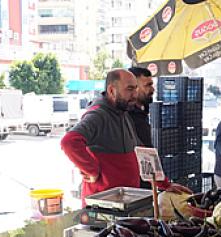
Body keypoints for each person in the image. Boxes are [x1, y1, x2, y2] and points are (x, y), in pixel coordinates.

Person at [61, 69, 189, 204]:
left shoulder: (124, 113)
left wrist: (165, 184)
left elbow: (142, 153)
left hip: (128, 201)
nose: (135, 94)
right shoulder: (98, 115)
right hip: (105, 205)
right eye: (129, 89)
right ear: (111, 90)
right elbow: (69, 142)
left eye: (135, 88)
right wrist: (91, 170)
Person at [127, 66, 154, 148]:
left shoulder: (143, 112)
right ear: (134, 88)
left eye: (151, 85)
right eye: (148, 85)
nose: (152, 89)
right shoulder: (126, 116)